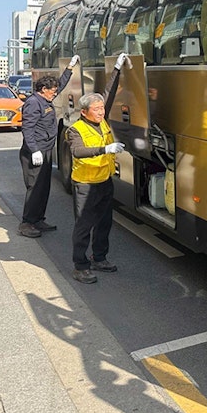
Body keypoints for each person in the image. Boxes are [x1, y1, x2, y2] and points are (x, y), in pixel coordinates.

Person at [66, 92, 126, 284]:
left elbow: (109, 92)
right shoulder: (76, 129)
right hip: (85, 184)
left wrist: (116, 67)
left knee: (104, 222)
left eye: (102, 108)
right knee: (84, 226)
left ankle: (99, 258)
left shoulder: (102, 123)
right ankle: (80, 266)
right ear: (84, 112)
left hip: (104, 181)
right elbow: (77, 151)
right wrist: (105, 149)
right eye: (96, 109)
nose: (101, 112)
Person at [18, 54, 79, 238]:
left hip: (45, 150)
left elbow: (60, 85)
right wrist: (34, 150)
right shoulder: (33, 103)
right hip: (34, 152)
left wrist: (69, 68)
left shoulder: (45, 99)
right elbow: (27, 129)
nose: (55, 93)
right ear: (43, 89)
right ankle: (27, 223)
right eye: (52, 91)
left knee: (44, 188)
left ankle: (38, 219)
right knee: (35, 188)